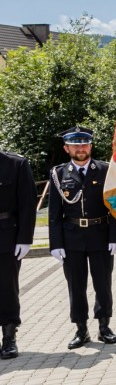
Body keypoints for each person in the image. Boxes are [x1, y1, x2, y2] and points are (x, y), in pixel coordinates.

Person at [48, 126, 116, 349]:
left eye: (84, 144)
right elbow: (54, 214)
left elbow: (114, 207)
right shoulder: (58, 173)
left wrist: (115, 237)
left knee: (103, 283)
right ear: (66, 148)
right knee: (76, 285)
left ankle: (104, 326)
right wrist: (56, 243)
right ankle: (81, 329)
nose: (81, 149)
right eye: (76, 145)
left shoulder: (105, 170)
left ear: (90, 146)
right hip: (71, 238)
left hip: (100, 234)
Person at [0, 149, 35, 359]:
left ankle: (9, 337)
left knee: (6, 289)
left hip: (6, 236)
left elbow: (27, 204)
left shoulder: (15, 164)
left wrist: (24, 238)